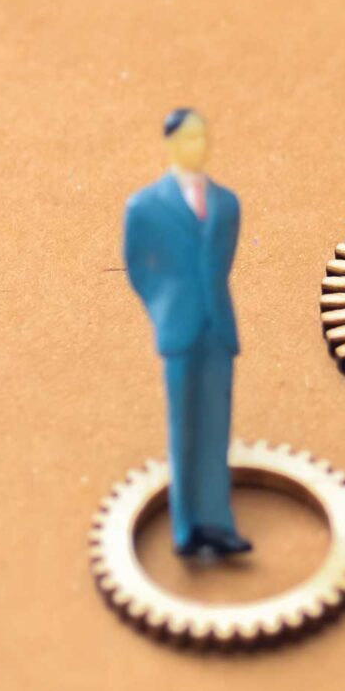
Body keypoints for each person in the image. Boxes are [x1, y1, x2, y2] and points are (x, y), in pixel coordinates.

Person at [122, 108, 249, 558]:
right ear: (171, 144)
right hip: (178, 330)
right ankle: (185, 529)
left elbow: (222, 262)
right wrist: (163, 309)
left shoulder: (227, 203)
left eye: (203, 136)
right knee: (183, 428)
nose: (198, 145)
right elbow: (139, 267)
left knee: (216, 427)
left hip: (218, 327)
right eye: (189, 138)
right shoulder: (144, 207)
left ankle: (216, 522)